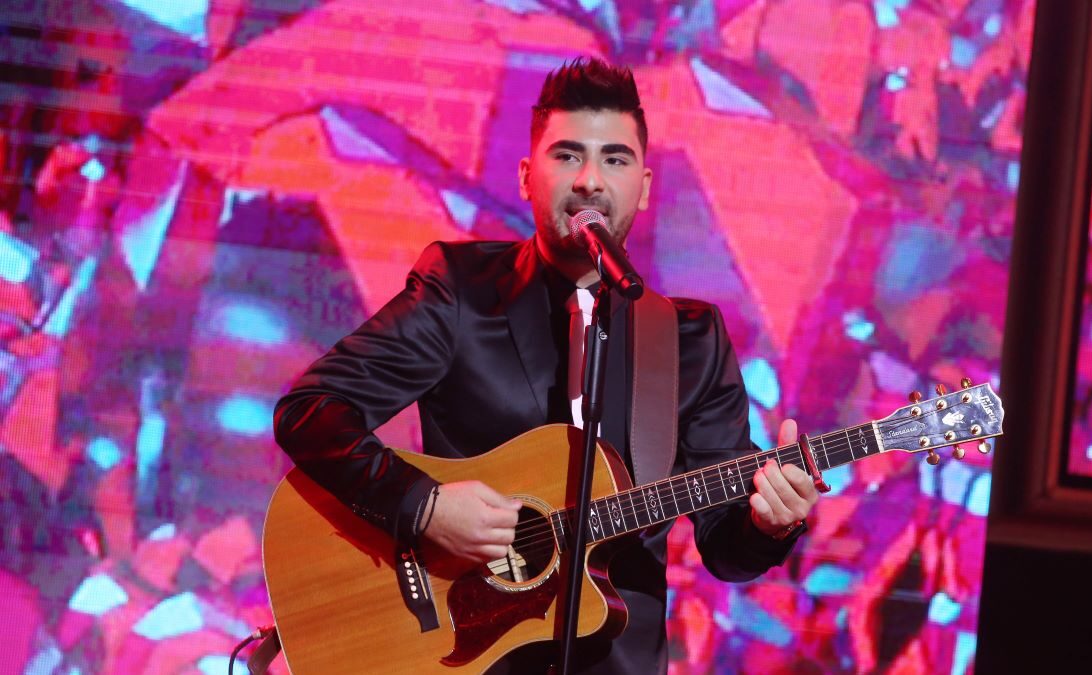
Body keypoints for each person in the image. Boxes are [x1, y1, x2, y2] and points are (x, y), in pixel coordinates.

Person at [273, 57, 819, 673]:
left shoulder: (689, 339)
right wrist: (423, 507)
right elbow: (312, 411)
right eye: (567, 156)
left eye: (615, 160)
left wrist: (770, 524)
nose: (590, 180)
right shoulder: (462, 292)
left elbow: (726, 548)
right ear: (527, 177)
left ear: (644, 187)